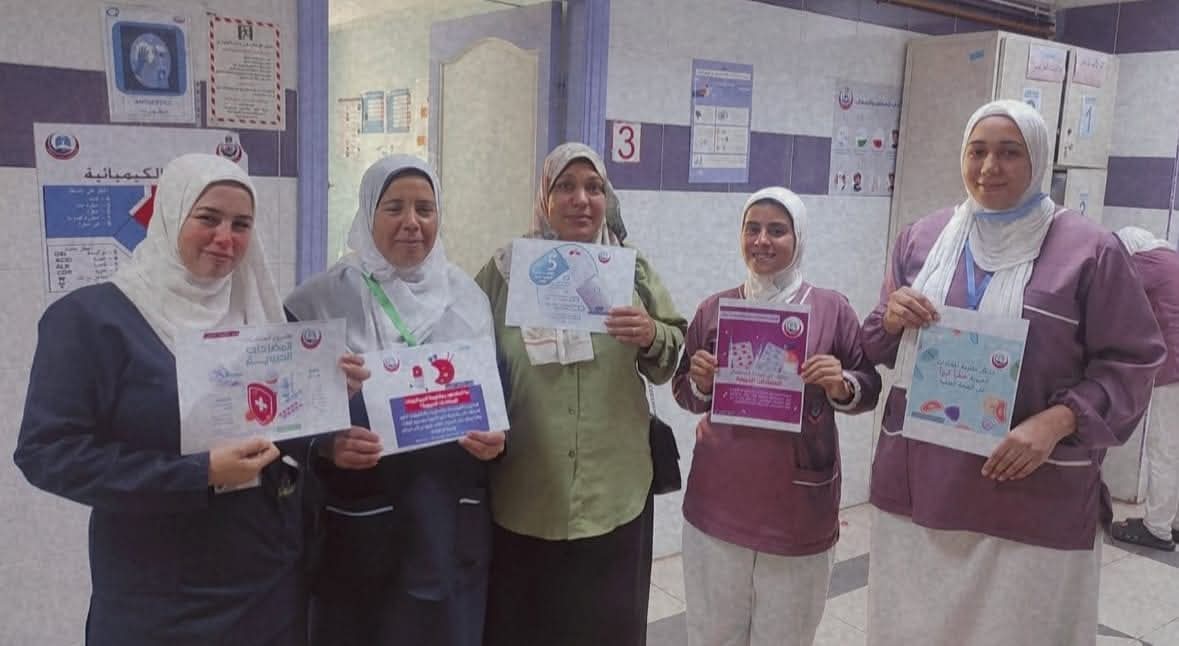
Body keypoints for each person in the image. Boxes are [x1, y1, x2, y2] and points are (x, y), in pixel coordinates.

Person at [13, 153, 364, 645]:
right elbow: (47, 454)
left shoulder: (264, 314)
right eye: (208, 218)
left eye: (241, 224)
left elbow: (279, 429)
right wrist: (201, 474)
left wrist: (324, 412)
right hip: (159, 594)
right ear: (171, 216)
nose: (225, 237)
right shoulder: (91, 321)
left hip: (269, 584)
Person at [859, 100, 1164, 646]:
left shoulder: (1090, 251)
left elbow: (1132, 363)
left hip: (1031, 492)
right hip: (922, 488)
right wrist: (891, 319)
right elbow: (875, 343)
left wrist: (1057, 421)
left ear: (1038, 158)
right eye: (977, 151)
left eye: (1009, 153)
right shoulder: (923, 239)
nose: (988, 167)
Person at [284, 155, 505, 646]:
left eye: (425, 209)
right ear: (368, 214)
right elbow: (284, 421)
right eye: (394, 208)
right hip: (359, 527)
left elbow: (499, 396)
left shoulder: (468, 299)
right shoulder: (317, 303)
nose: (412, 222)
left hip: (450, 523)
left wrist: (498, 441)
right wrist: (325, 445)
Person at [475, 142, 687, 646]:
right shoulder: (505, 273)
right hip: (527, 491)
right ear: (544, 199)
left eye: (594, 187)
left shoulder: (630, 271)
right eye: (565, 187)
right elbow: (468, 359)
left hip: (613, 493)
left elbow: (671, 353)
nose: (581, 199)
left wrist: (651, 334)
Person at [673, 187, 881, 646]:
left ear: (799, 237)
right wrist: (701, 383)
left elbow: (868, 385)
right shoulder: (715, 309)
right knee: (712, 634)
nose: (762, 241)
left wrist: (840, 384)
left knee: (784, 635)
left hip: (797, 511)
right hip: (718, 504)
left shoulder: (830, 310)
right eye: (752, 229)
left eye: (777, 230)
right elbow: (684, 392)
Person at [1111, 227, 1179, 551]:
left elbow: (1111, 299)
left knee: (1164, 448)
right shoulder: (1172, 260)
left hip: (1176, 369)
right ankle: (1173, 522)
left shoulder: (1144, 261)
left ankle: (1157, 529)